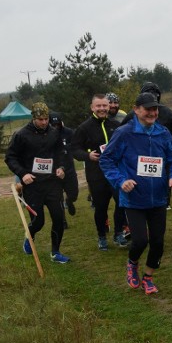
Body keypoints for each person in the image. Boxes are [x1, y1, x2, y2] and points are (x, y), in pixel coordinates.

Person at [100, 92, 172, 295]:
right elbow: (106, 160)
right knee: (140, 241)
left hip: (158, 197)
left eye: (155, 109)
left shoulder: (163, 133)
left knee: (157, 242)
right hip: (134, 197)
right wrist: (121, 181)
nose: (152, 113)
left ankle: (148, 276)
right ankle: (132, 262)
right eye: (147, 109)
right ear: (136, 110)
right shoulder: (124, 133)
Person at [4, 102, 70, 263]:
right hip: (32, 185)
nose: (44, 122)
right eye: (40, 119)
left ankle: (55, 252)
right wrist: (23, 173)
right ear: (33, 118)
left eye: (46, 119)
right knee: (38, 221)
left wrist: (61, 167)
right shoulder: (21, 135)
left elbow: (61, 153)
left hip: (52, 183)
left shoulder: (54, 133)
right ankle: (30, 236)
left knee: (58, 218)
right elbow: (10, 157)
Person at [71, 94, 127, 250]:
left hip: (116, 173)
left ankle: (118, 234)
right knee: (101, 207)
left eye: (104, 105)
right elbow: (74, 149)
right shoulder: (84, 128)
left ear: (109, 106)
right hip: (97, 174)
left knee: (121, 203)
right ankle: (102, 236)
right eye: (98, 106)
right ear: (92, 107)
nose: (102, 109)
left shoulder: (116, 125)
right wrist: (87, 156)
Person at [49, 111, 79, 219]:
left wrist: (65, 148)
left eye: (57, 124)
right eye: (53, 124)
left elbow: (76, 145)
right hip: (54, 170)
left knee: (74, 194)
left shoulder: (69, 132)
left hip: (69, 168)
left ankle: (69, 201)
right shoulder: (46, 135)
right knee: (57, 198)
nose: (55, 127)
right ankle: (63, 220)